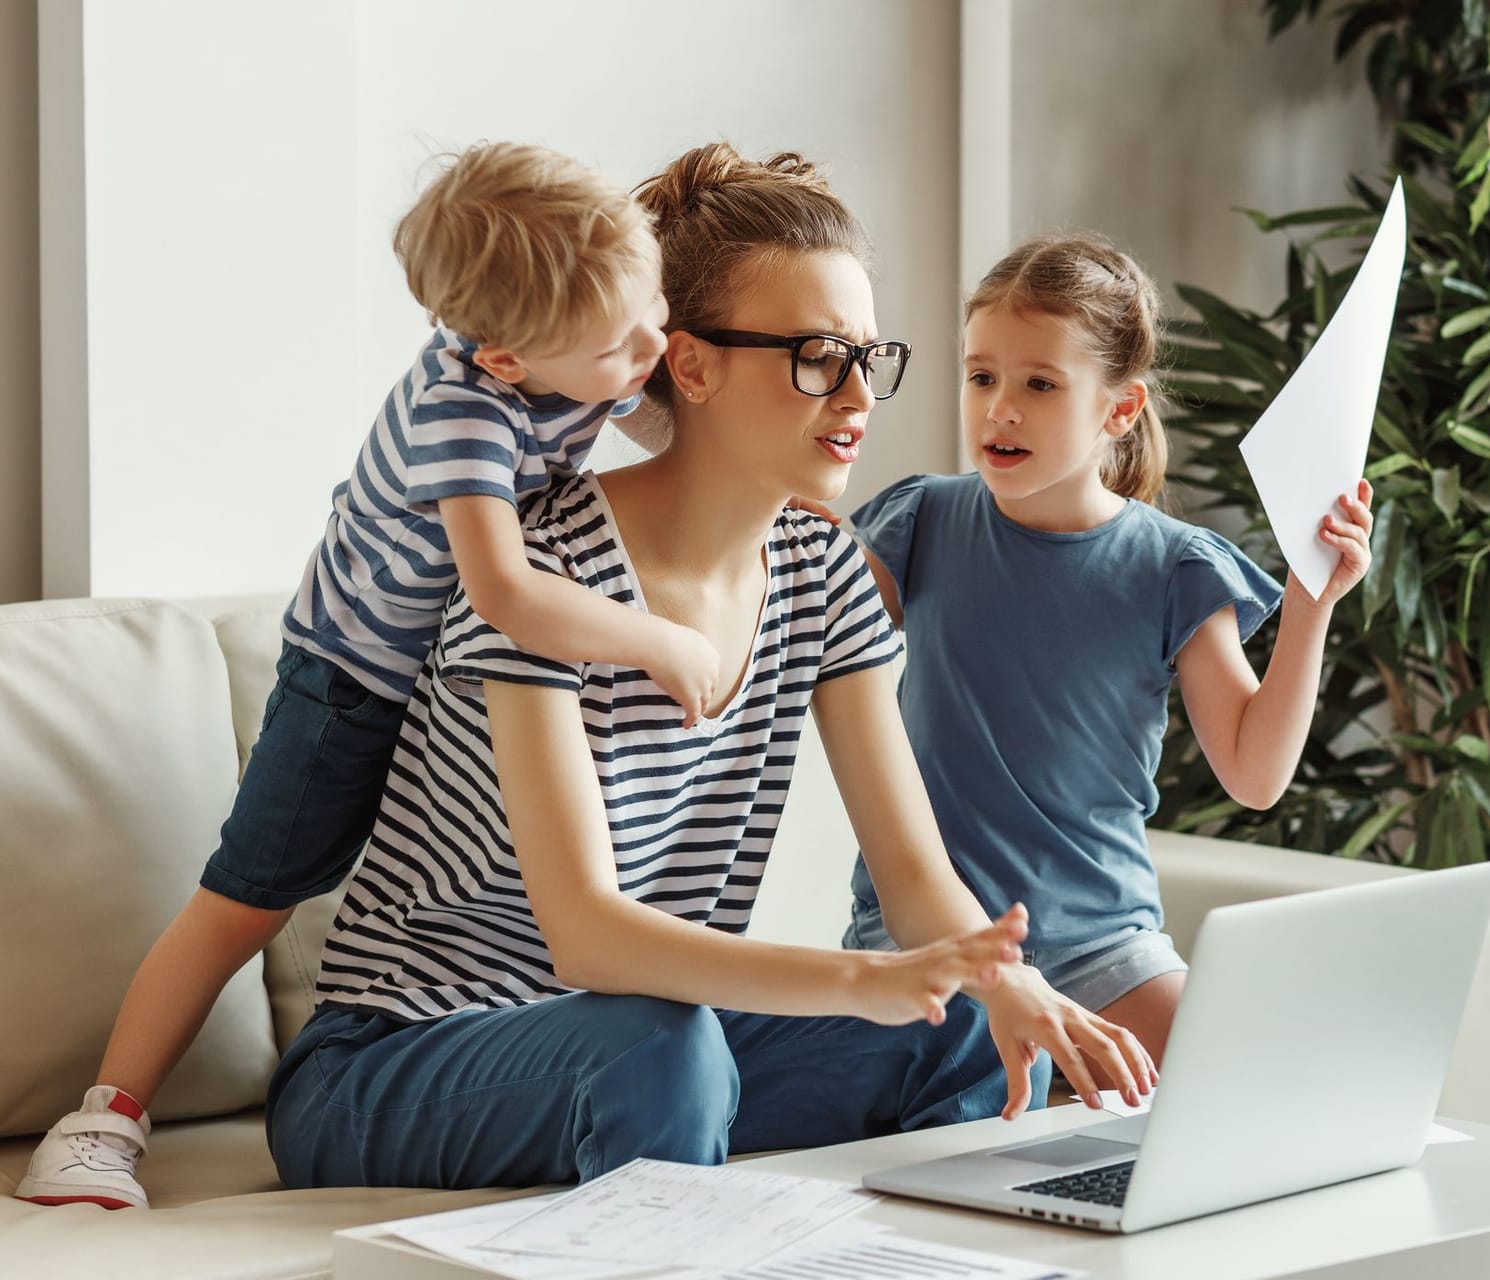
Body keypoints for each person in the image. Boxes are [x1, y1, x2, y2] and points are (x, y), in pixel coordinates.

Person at [263, 144, 1155, 1191]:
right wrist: (862, 976)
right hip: (398, 1056)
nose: (860, 392)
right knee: (662, 1045)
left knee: (957, 1023)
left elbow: (916, 878)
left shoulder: (823, 568)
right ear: (689, 364)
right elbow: (587, 935)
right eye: (821, 354)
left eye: (872, 355)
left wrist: (1007, 981)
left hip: (635, 1041)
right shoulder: (542, 567)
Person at [14, 140, 706, 1209]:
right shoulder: (459, 415)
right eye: (626, 344)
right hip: (351, 685)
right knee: (244, 899)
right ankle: (102, 1118)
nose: (655, 348)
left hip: (438, 687)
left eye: (657, 309)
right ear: (508, 360)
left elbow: (670, 418)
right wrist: (660, 636)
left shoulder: (581, 350)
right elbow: (507, 594)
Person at [842, 233, 1375, 1068]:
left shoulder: (1177, 568)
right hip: (928, 947)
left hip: (1104, 951)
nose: (999, 409)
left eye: (1040, 384)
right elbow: (789, 644)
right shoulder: (919, 524)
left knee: (1240, 1089)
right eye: (982, 376)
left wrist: (1312, 603)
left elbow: (1254, 773)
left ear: (1119, 409)